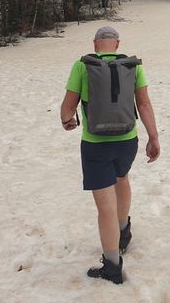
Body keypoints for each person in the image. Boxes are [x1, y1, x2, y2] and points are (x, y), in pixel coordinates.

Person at [60, 25, 161, 284]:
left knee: (105, 206)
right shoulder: (133, 66)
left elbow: (67, 107)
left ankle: (112, 267)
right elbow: (145, 103)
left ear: (95, 44)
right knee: (122, 178)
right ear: (117, 44)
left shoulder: (82, 66)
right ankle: (124, 231)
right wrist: (154, 136)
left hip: (95, 144)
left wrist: (67, 121)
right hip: (127, 141)